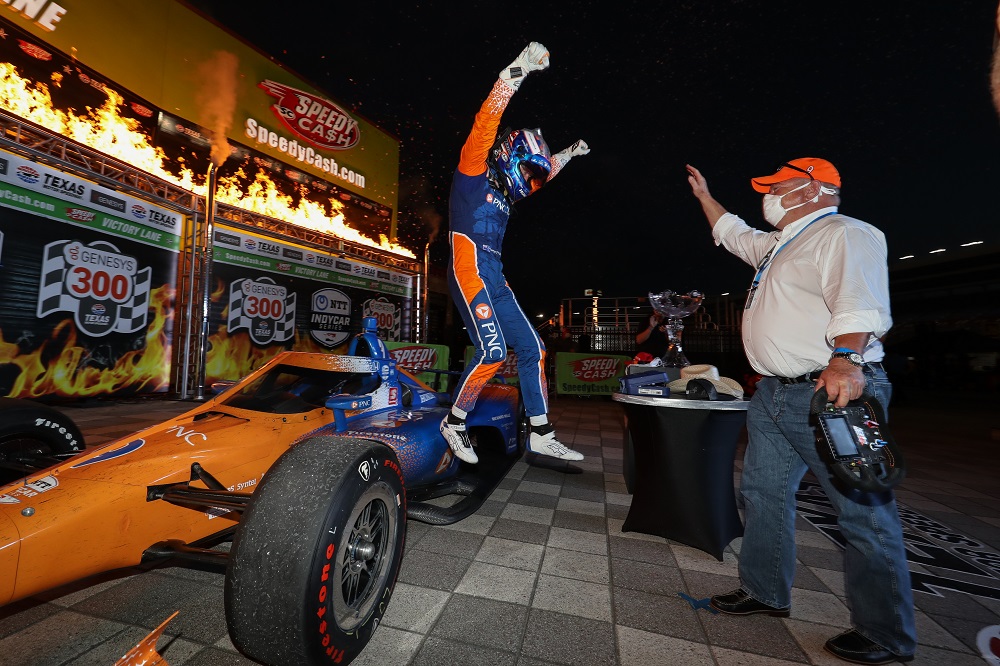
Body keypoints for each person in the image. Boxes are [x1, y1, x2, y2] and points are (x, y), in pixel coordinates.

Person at [686, 159, 916, 665]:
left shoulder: (843, 232)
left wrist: (846, 360)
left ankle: (885, 633)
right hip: (774, 392)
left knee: (862, 511)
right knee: (763, 493)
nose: (767, 195)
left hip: (829, 389)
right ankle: (765, 591)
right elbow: (734, 235)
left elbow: (859, 300)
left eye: (777, 186)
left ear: (813, 189)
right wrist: (704, 197)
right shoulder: (781, 244)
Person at [440, 42, 589, 464]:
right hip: (467, 270)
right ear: (509, 156)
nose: (530, 181)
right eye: (527, 170)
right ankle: (454, 422)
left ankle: (540, 432)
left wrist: (567, 155)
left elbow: (544, 174)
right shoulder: (472, 173)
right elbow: (486, 122)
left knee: (533, 349)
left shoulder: (509, 194)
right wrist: (519, 69)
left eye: (533, 176)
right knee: (492, 352)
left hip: (495, 278)